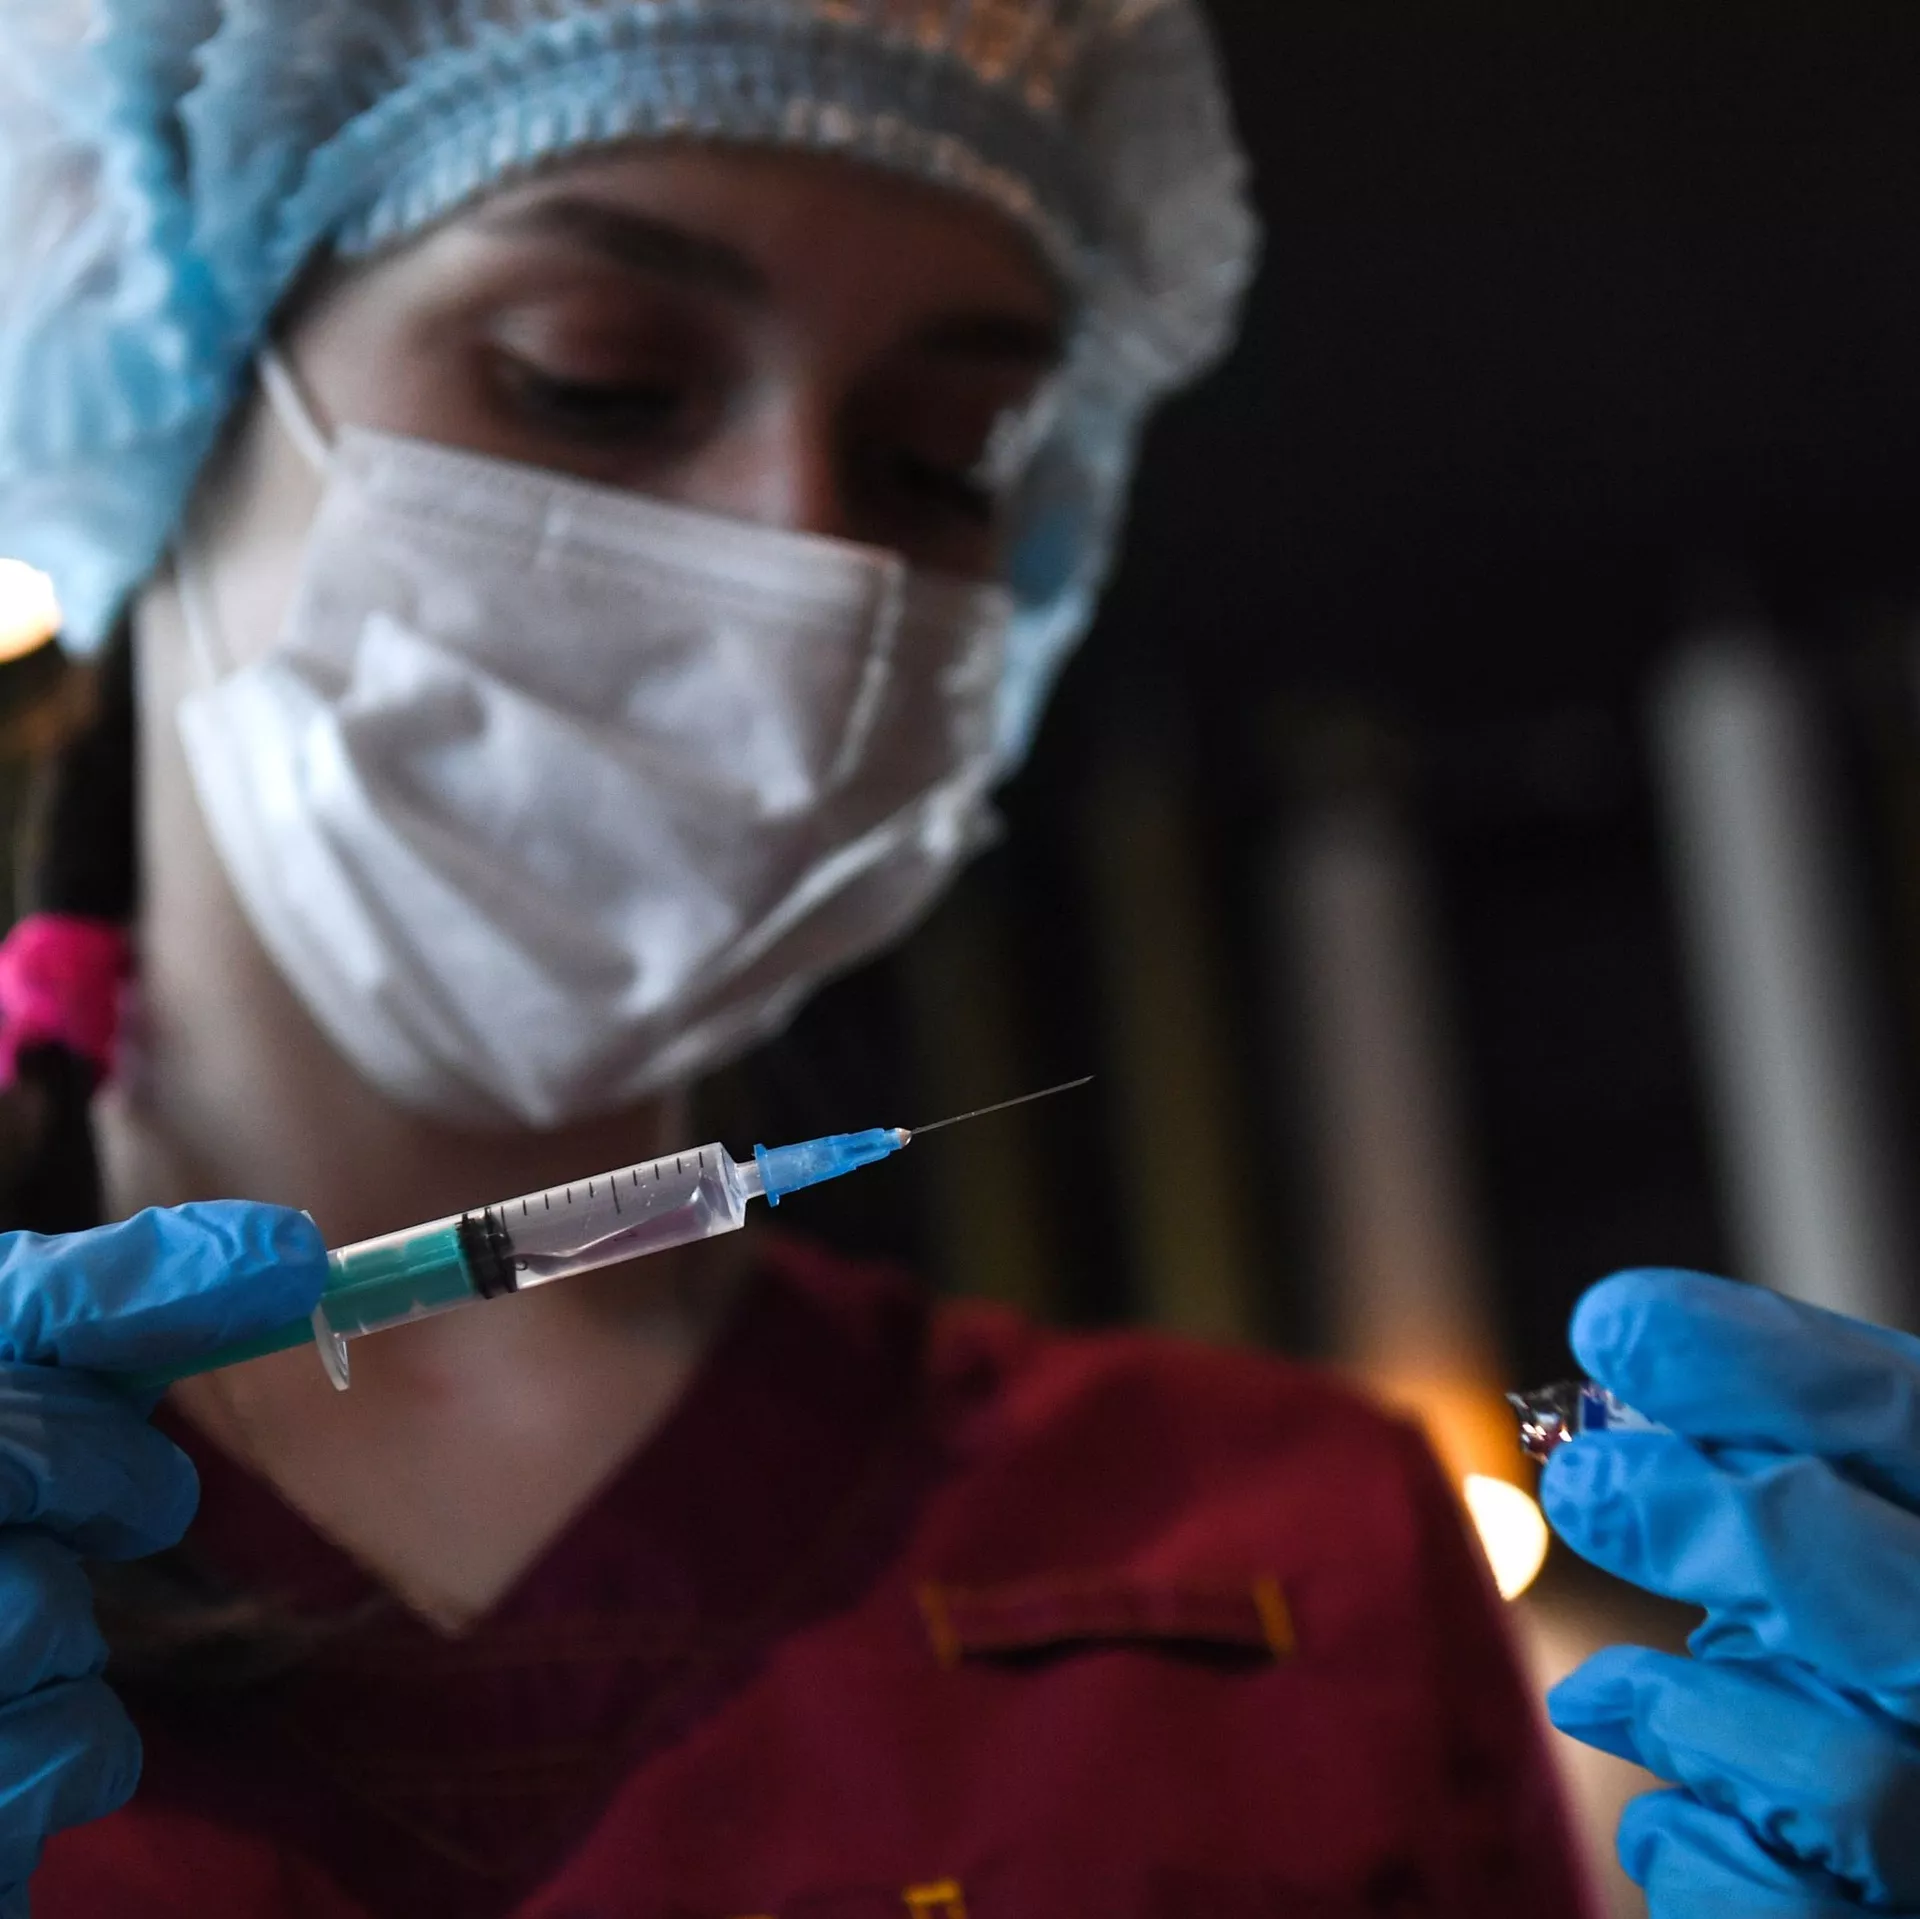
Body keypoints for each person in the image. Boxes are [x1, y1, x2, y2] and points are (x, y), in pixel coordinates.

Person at [0, 6, 1905, 1918]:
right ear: (158, 395)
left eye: (940, 459)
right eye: (597, 378)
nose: (815, 570)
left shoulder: (1282, 1549)